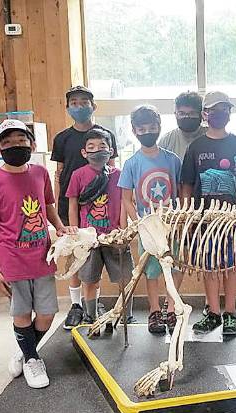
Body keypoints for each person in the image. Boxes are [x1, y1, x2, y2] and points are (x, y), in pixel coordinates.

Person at [0, 119, 76, 388]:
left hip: (42, 257)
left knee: (46, 313)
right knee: (21, 313)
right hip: (11, 260)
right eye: (7, 142)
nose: (15, 146)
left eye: (21, 140)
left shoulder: (41, 173)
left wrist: (59, 227)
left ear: (32, 144)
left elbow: (48, 205)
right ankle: (33, 359)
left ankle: (25, 351)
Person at [181, 91, 236, 336]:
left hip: (232, 219)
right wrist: (188, 214)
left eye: (224, 109)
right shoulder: (196, 147)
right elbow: (186, 183)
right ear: (204, 114)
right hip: (204, 219)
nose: (220, 114)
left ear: (230, 113)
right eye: (214, 109)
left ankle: (230, 313)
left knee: (231, 266)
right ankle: (214, 313)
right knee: (209, 267)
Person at [51, 85, 118, 330]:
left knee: (94, 259)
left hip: (100, 209)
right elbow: (59, 174)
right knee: (74, 258)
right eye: (74, 102)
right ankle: (76, 305)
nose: (79, 106)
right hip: (70, 206)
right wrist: (60, 212)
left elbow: (112, 172)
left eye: (84, 102)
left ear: (93, 106)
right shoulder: (62, 138)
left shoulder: (106, 134)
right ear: (68, 107)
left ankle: (94, 304)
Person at [118, 105, 182, 334]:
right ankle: (154, 310)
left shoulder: (173, 160)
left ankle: (172, 308)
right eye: (142, 128)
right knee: (151, 270)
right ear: (135, 131)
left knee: (174, 267)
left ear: (159, 127)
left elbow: (180, 191)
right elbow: (126, 198)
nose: (148, 132)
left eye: (152, 127)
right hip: (147, 228)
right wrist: (139, 223)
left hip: (172, 226)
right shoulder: (131, 164)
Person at [65, 128, 134, 327]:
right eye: (92, 147)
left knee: (124, 277)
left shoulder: (119, 174)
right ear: (84, 153)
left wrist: (123, 229)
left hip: (114, 236)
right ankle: (90, 315)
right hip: (89, 239)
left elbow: (123, 202)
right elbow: (72, 204)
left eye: (102, 146)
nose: (97, 150)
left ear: (111, 150)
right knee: (89, 279)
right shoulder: (78, 175)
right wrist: (75, 231)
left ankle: (126, 315)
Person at [158, 91, 207, 160]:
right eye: (182, 113)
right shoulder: (167, 140)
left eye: (192, 113)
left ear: (201, 115)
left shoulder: (210, 135)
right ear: (175, 114)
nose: (186, 117)